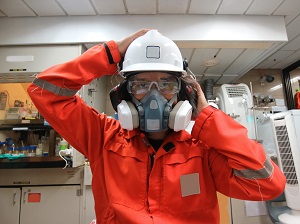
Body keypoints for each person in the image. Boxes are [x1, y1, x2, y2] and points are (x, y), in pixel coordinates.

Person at [27, 29, 286, 224]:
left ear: (184, 95)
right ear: (124, 96)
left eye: (166, 84)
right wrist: (110, 52)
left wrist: (208, 117)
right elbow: (44, 90)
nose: (154, 96)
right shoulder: (102, 137)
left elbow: (269, 184)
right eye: (140, 84)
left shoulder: (204, 149)